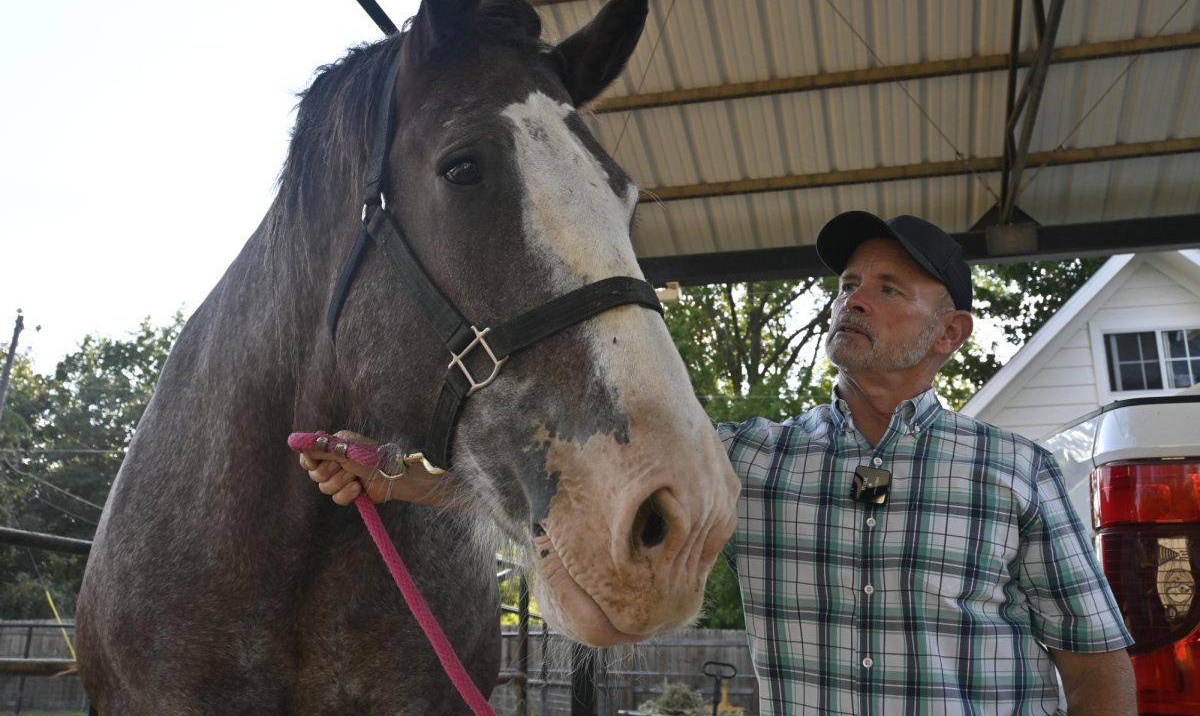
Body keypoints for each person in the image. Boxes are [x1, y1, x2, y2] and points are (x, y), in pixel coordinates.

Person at [299, 211, 1137, 715]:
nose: (853, 299)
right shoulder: (753, 460)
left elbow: (1094, 662)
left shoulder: (1017, 473)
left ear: (948, 333)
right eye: (847, 282)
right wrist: (392, 478)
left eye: (889, 288)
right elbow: (579, 489)